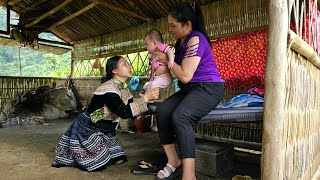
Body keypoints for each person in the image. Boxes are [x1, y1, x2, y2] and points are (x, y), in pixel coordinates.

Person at [154, 2, 224, 180]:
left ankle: (189, 175)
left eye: (173, 26)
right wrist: (163, 59)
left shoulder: (196, 39)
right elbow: (177, 74)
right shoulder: (181, 41)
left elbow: (184, 75)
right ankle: (173, 160)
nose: (170, 29)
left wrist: (169, 58)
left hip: (208, 88)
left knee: (181, 116)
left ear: (187, 24)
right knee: (162, 111)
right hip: (190, 89)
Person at [52, 56, 159, 172]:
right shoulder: (108, 89)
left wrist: (146, 100)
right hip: (88, 128)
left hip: (106, 130)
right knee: (98, 163)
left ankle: (102, 145)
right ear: (114, 70)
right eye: (124, 64)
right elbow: (123, 112)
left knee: (119, 159)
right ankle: (79, 150)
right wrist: (145, 99)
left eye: (128, 63)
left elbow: (132, 111)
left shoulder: (123, 89)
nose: (129, 66)